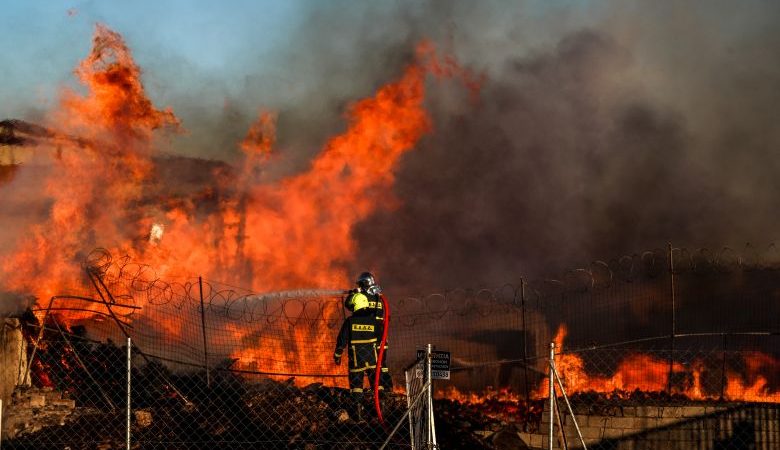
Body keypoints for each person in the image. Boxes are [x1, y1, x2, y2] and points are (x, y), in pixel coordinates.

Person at [333, 291, 381, 420]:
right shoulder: (374, 321)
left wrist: (337, 355)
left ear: (356, 305)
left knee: (356, 386)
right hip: (372, 359)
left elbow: (342, 340)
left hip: (356, 359)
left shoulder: (350, 321)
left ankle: (359, 417)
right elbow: (380, 339)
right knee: (376, 384)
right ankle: (381, 412)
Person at [343, 272, 392, 391]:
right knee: (381, 365)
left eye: (360, 284)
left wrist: (354, 293)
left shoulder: (361, 298)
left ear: (364, 284)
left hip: (367, 339)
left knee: (364, 367)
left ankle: (371, 392)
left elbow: (348, 305)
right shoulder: (379, 298)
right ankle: (385, 389)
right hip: (381, 337)